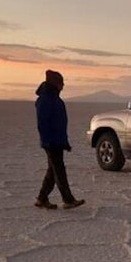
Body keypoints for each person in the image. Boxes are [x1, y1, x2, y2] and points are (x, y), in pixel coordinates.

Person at [34, 70, 85, 209]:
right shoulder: (46, 99)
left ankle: (42, 199)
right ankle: (68, 200)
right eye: (61, 82)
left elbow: (59, 123)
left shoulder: (54, 99)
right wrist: (48, 141)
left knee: (53, 171)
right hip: (51, 142)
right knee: (59, 170)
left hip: (57, 140)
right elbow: (43, 123)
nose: (63, 85)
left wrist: (64, 141)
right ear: (55, 83)